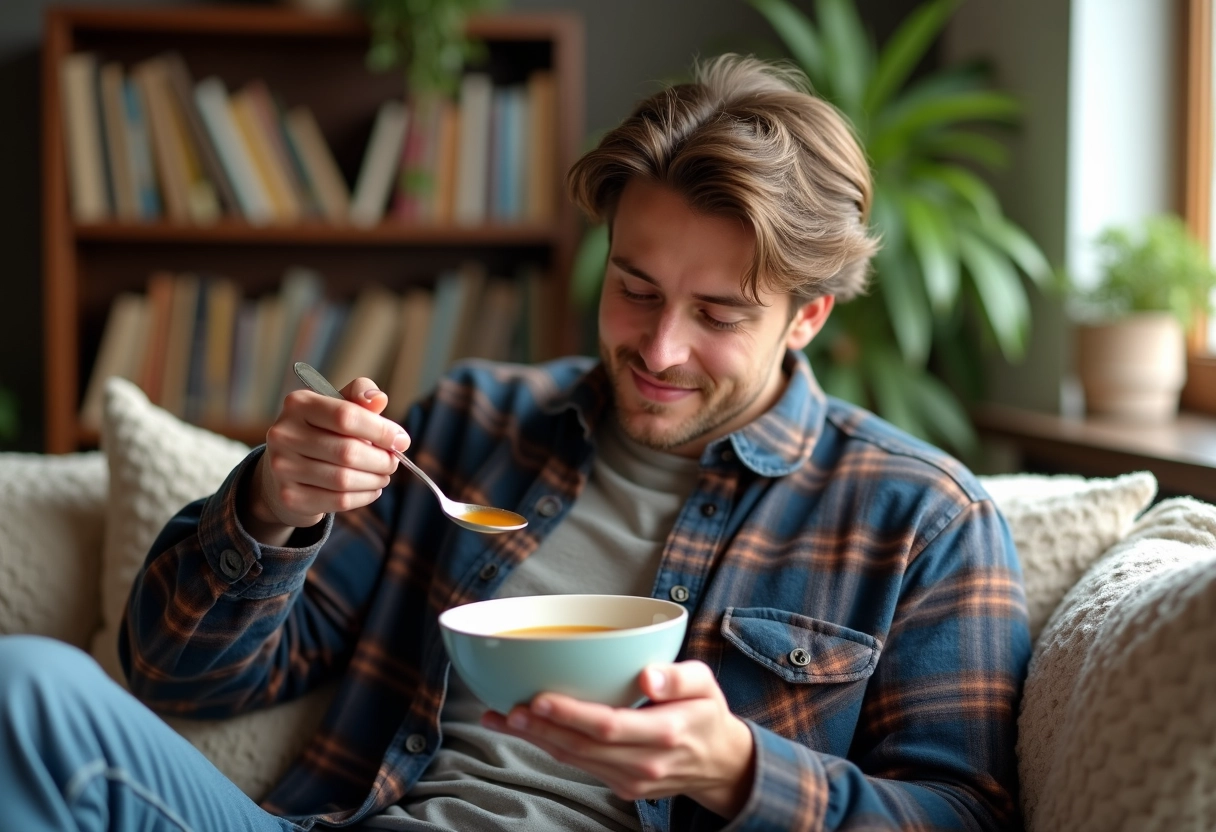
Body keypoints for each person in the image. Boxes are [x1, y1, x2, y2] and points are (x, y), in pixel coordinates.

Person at [0, 55, 1030, 831]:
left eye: (717, 313)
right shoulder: (471, 427)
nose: (659, 348)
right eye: (634, 289)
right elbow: (179, 677)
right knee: (28, 689)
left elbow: (965, 813)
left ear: (806, 317)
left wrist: (734, 768)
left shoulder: (923, 516)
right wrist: (274, 504)